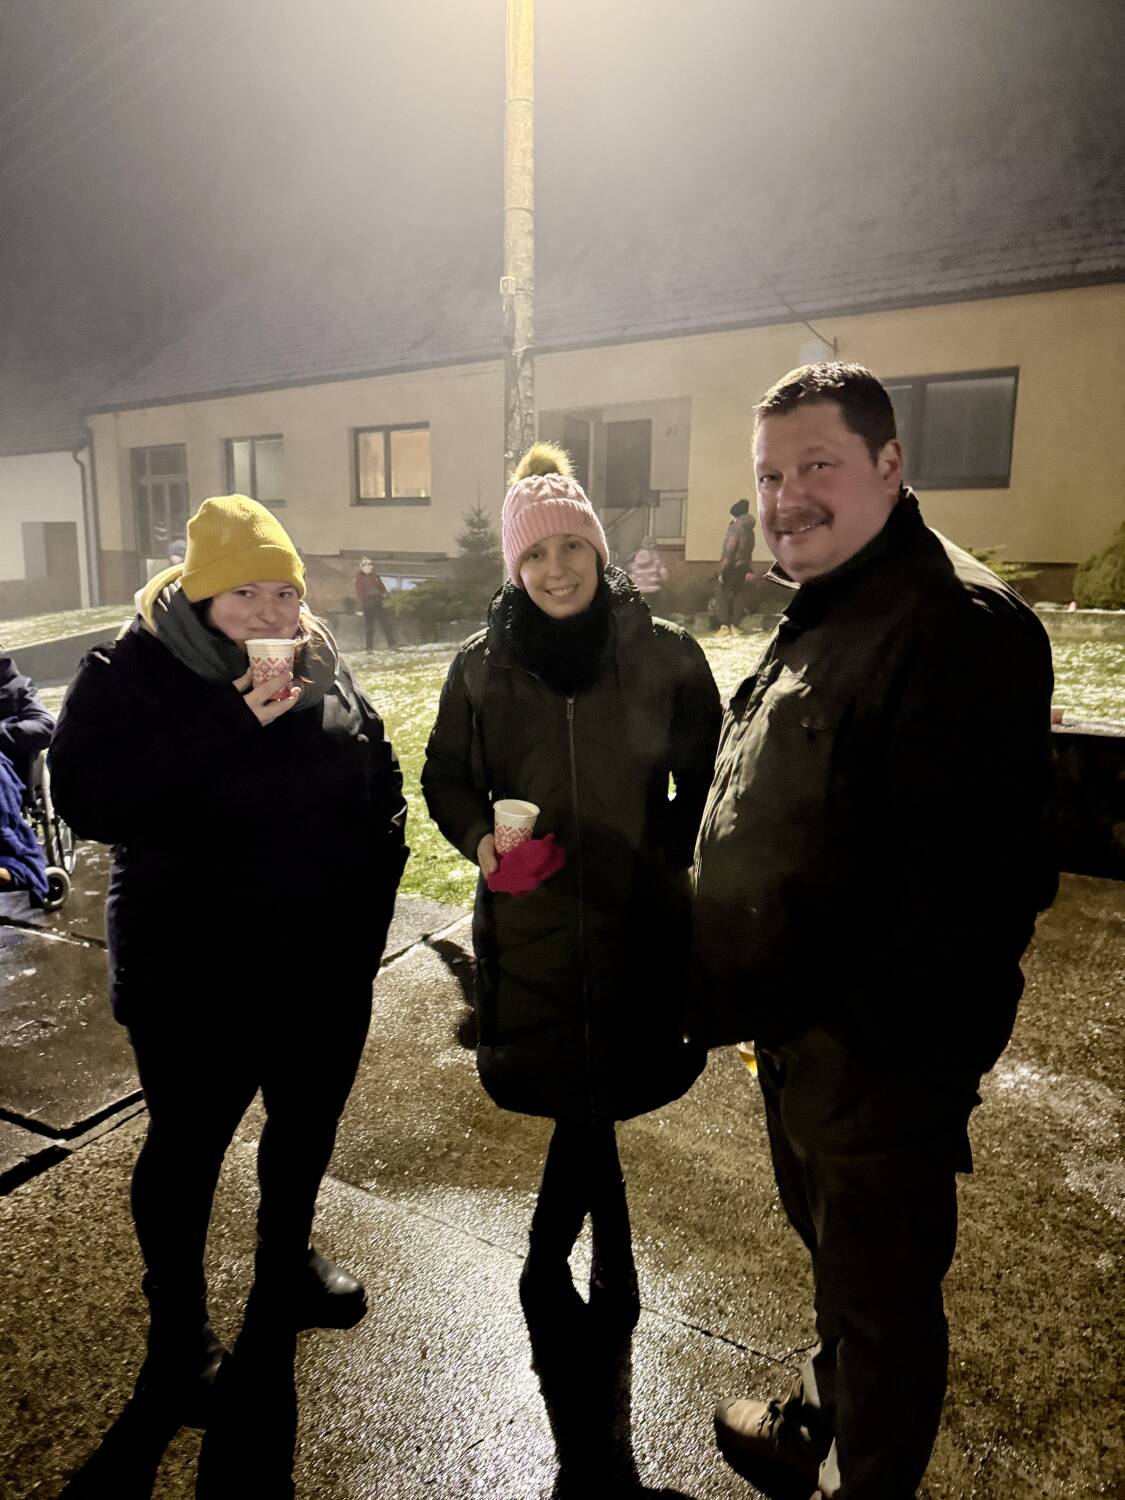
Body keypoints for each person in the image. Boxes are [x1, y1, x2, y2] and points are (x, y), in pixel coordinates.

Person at [694, 363, 1056, 1500]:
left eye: (817, 465)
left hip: (876, 1060)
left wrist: (885, 1068)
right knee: (841, 1269)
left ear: (890, 465)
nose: (786, 496)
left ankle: (867, 1480)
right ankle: (822, 1419)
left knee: (885, 1298)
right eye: (769, 475)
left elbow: (977, 893)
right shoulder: (834, 601)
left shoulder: (955, 626)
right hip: (800, 1040)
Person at [49, 495, 408, 1422]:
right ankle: (176, 1335)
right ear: (200, 594)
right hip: (192, 970)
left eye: (283, 590)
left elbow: (377, 768)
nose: (268, 610)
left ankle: (283, 1266)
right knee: (188, 1149)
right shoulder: (131, 671)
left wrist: (369, 907)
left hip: (319, 965)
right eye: (243, 591)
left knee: (305, 1126)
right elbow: (88, 798)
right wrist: (229, 720)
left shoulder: (319, 659)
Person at [422, 442, 720, 1332]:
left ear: (597, 550)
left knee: (596, 1093)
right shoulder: (481, 665)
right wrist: (481, 842)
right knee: (585, 1098)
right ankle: (584, 1253)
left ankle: (557, 1254)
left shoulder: (664, 655)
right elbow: (443, 776)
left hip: (637, 918)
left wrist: (662, 850)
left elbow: (710, 778)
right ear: (515, 566)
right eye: (536, 554)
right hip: (532, 918)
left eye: (571, 548)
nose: (556, 570)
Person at [0, 649, 55, 894]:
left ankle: (19, 864)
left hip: (9, 771)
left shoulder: (17, 687)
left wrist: (3, 732)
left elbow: (46, 726)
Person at [715, 497, 756, 635]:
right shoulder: (750, 531)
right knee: (740, 594)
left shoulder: (734, 528)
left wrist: (721, 570)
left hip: (732, 566)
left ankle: (724, 626)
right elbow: (749, 550)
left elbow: (729, 550)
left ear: (735, 515)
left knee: (720, 592)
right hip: (744, 566)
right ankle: (734, 626)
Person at [354, 556, 397, 650]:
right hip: (368, 606)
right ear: (363, 566)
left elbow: (383, 588)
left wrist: (382, 594)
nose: (371, 567)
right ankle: (369, 648)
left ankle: (392, 645)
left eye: (371, 564)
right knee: (369, 628)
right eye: (368, 565)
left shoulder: (375, 576)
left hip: (378, 605)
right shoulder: (359, 579)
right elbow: (360, 594)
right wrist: (360, 608)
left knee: (386, 625)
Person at [627, 535, 669, 615]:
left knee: (640, 612)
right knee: (653, 611)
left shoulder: (635, 560)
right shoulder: (657, 560)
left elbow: (631, 577)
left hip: (639, 591)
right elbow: (664, 577)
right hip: (653, 592)